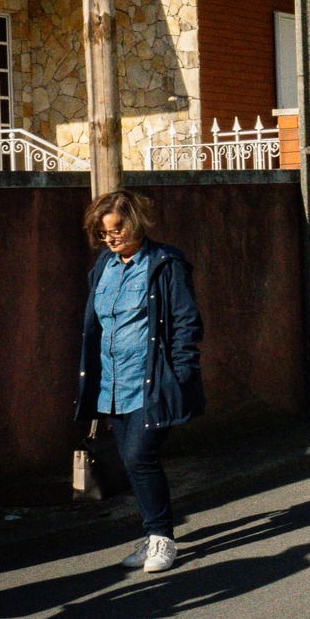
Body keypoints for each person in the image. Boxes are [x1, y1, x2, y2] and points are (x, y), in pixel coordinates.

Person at [75, 189, 204, 575]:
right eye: (103, 234)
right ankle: (152, 535)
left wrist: (179, 375)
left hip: (153, 381)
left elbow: (186, 322)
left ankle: (163, 537)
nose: (110, 239)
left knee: (139, 456)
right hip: (112, 383)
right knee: (131, 461)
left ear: (135, 223)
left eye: (116, 230)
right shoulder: (104, 267)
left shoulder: (165, 263)